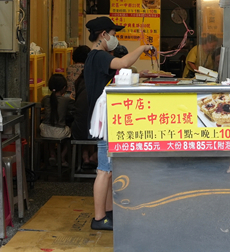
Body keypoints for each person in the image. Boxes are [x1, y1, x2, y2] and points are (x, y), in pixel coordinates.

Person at [83, 16, 156, 231]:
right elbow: (123, 62)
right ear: (103, 34)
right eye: (114, 34)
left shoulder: (96, 57)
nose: (115, 39)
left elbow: (115, 75)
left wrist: (138, 75)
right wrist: (142, 47)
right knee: (104, 170)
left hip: (107, 119)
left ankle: (108, 213)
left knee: (109, 169)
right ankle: (98, 218)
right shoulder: (98, 56)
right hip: (104, 122)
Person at [40, 73, 73, 169]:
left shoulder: (45, 99)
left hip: (44, 130)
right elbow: (73, 109)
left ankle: (52, 154)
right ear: (64, 88)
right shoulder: (66, 100)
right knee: (72, 132)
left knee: (50, 134)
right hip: (59, 132)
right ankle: (62, 157)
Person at [69, 46, 93, 164]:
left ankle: (83, 155)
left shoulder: (70, 69)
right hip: (84, 107)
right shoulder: (89, 70)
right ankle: (90, 155)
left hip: (71, 103)